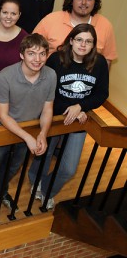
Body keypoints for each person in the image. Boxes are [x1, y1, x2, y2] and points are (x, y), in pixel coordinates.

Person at [0, 34, 56, 223]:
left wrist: (42, 133)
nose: (37, 59)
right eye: (32, 53)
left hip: (28, 129)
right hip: (2, 130)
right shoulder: (5, 76)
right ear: (21, 55)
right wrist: (28, 137)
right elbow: (3, 116)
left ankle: (0, 190)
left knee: (13, 167)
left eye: (42, 54)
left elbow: (48, 108)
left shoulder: (50, 75)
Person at [29, 24, 109, 209]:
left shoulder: (99, 63)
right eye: (79, 39)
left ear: (93, 45)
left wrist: (81, 107)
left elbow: (102, 93)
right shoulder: (56, 60)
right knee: (45, 153)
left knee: (69, 167)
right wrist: (70, 109)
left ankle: (48, 189)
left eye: (88, 41)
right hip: (55, 115)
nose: (83, 44)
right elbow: (46, 92)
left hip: (79, 118)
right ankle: (36, 182)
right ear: (71, 40)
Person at [34, 0, 117, 67]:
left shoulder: (105, 25)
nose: (84, 2)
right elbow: (30, 48)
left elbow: (107, 60)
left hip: (88, 78)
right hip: (51, 77)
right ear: (71, 0)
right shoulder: (50, 20)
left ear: (95, 2)